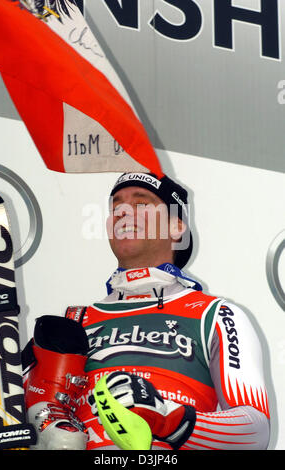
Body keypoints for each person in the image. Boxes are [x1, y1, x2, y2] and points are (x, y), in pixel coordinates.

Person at [23, 172, 270, 450]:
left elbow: (254, 431)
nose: (123, 214)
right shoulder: (71, 323)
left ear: (176, 226)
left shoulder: (215, 314)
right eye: (116, 208)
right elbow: (20, 423)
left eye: (141, 204)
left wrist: (168, 418)